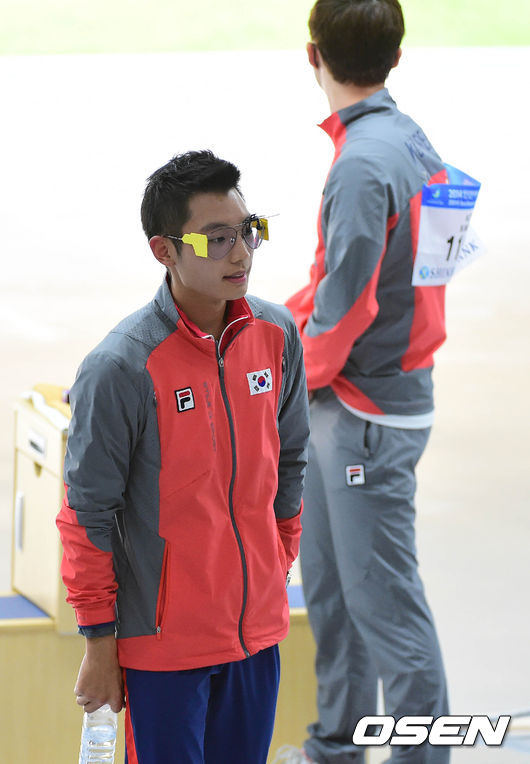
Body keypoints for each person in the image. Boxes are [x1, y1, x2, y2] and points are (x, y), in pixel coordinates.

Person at [56, 150, 310, 764]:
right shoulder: (120, 367)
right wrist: (99, 641)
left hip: (255, 638)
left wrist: (276, 561)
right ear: (164, 250)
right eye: (217, 239)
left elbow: (291, 459)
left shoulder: (276, 336)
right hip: (163, 653)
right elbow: (86, 514)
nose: (241, 254)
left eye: (248, 231)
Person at [275, 1, 450, 762]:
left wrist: (281, 379)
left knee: (386, 609)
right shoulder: (409, 140)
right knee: (334, 593)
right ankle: (337, 747)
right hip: (360, 404)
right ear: (396, 57)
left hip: (363, 417)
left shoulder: (361, 165)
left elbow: (347, 311)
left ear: (312, 55)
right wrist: (275, 327)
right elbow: (349, 283)